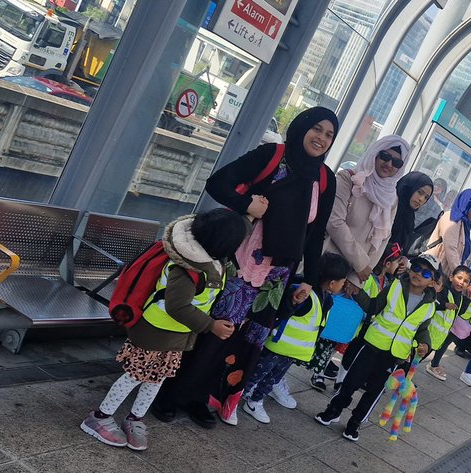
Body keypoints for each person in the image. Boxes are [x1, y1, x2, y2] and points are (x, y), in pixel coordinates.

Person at [152, 107, 340, 428]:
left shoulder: (324, 179)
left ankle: (202, 396)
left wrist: (308, 279)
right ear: (302, 127)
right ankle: (169, 392)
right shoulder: (272, 155)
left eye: (329, 135)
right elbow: (218, 183)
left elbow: (316, 231)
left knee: (243, 341)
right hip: (239, 262)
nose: (322, 138)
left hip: (277, 276)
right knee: (212, 328)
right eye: (317, 129)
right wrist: (246, 205)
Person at [82, 209, 248, 450]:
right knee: (135, 376)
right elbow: (177, 306)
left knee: (156, 378)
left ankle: (135, 418)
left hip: (175, 336)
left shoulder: (211, 263)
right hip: (154, 332)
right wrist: (210, 326)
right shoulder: (186, 268)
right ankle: (98, 417)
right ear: (225, 243)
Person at [315, 254, 439, 442]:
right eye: (416, 268)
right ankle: (334, 410)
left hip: (394, 356)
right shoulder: (395, 286)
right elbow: (373, 306)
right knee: (351, 382)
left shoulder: (430, 306)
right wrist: (358, 293)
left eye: (426, 273)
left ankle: (355, 422)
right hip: (372, 345)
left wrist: (425, 345)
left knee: (374, 392)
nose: (418, 274)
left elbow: (422, 330)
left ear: (432, 282)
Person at [242, 252, 351, 424]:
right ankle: (237, 395)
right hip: (276, 347)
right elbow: (285, 311)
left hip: (290, 352)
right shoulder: (305, 294)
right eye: (343, 281)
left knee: (272, 379)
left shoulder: (325, 299)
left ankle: (255, 401)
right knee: (256, 374)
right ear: (332, 282)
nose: (344, 285)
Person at [308, 244, 405, 391]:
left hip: (362, 325)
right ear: (388, 263)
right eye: (397, 262)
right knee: (330, 347)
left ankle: (340, 380)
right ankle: (318, 373)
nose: (399, 265)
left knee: (349, 352)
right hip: (349, 320)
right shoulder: (367, 278)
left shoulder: (386, 281)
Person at [325, 135, 411, 290]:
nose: (389, 164)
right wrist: (361, 264)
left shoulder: (392, 198)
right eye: (385, 156)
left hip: (352, 276)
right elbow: (335, 223)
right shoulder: (349, 179)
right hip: (326, 265)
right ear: (375, 154)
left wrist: (357, 278)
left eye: (397, 162)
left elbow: (383, 238)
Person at [425, 265, 471, 381]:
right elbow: (432, 304)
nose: (461, 282)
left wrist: (467, 300)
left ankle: (406, 378)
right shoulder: (443, 290)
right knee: (412, 357)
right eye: (459, 278)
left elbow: (459, 312)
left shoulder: (461, 297)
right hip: (426, 332)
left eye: (466, 281)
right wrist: (444, 305)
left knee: (419, 358)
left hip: (437, 337)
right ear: (451, 277)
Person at [424, 189, 471, 272]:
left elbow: (460, 256)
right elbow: (450, 248)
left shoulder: (464, 224)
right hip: (430, 268)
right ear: (467, 204)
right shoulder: (452, 218)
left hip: (442, 272)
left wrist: (465, 274)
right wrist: (458, 273)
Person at [390, 172, 434, 253]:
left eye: (426, 198)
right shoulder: (390, 206)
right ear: (409, 188)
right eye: (420, 192)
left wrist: (401, 258)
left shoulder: (409, 218)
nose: (421, 199)